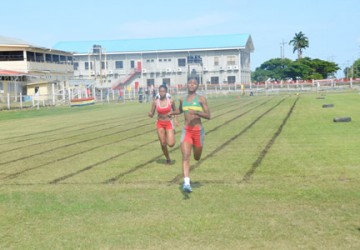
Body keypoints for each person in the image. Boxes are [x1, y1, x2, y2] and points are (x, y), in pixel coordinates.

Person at [171, 77, 211, 192]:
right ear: (187, 85)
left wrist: (197, 113)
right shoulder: (183, 100)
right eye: (190, 83)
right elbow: (180, 110)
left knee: (196, 157)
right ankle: (186, 183)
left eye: (194, 83)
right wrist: (172, 113)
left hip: (198, 131)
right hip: (186, 131)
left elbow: (209, 116)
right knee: (185, 156)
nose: (192, 85)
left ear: (197, 85)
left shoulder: (201, 99)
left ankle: (195, 149)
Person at [148, 85, 177, 165]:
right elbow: (152, 113)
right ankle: (168, 159)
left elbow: (176, 111)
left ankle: (170, 133)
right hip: (160, 123)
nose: (162, 93)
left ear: (166, 92)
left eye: (163, 91)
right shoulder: (155, 102)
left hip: (168, 123)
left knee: (171, 144)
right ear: (158, 92)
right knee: (163, 143)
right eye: (160, 91)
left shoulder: (171, 101)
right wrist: (150, 114)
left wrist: (175, 118)